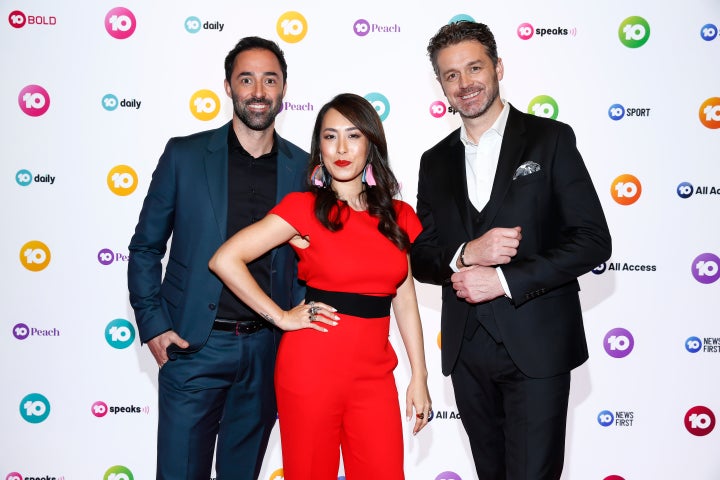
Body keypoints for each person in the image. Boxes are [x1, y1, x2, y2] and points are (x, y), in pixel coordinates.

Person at [410, 21, 612, 480]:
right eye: (451, 75)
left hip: (537, 346)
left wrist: (503, 278)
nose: (465, 84)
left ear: (498, 67)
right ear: (440, 85)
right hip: (467, 353)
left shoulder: (550, 139)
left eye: (475, 67)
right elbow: (423, 258)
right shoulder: (434, 160)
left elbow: (593, 241)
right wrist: (468, 253)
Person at [209, 93, 432, 480]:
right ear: (320, 148)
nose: (341, 148)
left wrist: (420, 375)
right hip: (310, 371)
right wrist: (279, 317)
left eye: (353, 136)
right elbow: (225, 259)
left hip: (375, 375)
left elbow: (406, 297)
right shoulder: (303, 208)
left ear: (371, 145)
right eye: (330, 137)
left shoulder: (399, 215)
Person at [127, 36, 308, 480]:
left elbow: (309, 263)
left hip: (267, 351)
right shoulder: (184, 156)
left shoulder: (304, 170)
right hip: (193, 349)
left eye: (270, 79)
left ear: (284, 88)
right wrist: (154, 325)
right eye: (246, 79)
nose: (259, 91)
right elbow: (145, 248)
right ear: (228, 87)